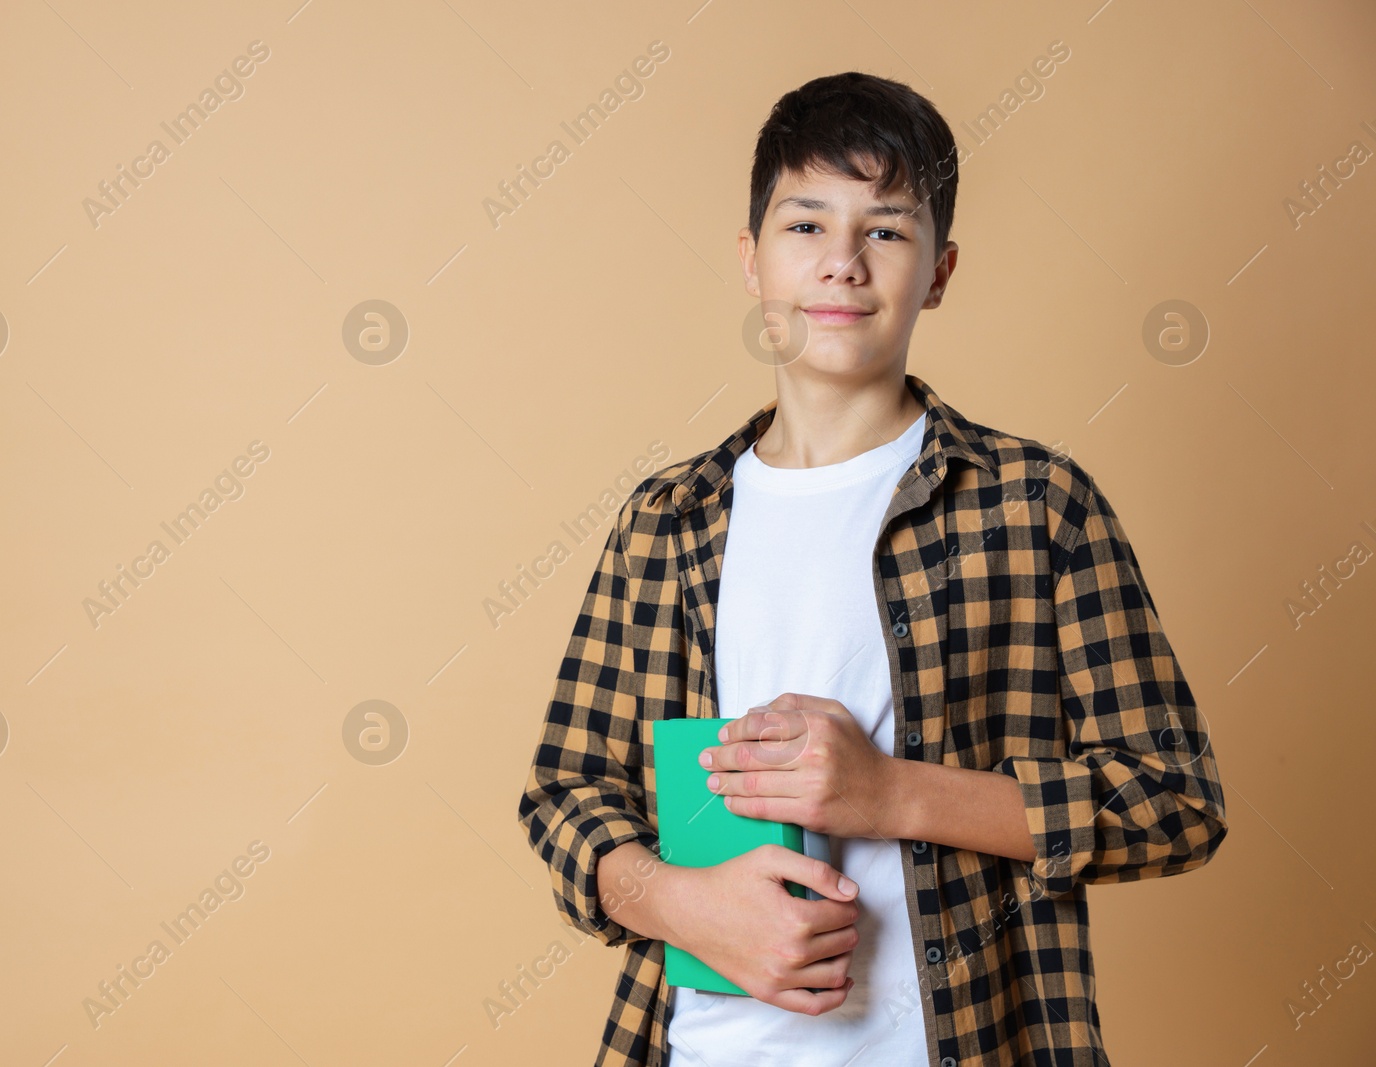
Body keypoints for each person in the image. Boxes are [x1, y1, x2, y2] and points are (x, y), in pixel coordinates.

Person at [517, 71, 1227, 1067]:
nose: (842, 264)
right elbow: (566, 791)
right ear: (750, 258)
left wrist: (890, 793)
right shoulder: (665, 522)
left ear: (937, 269)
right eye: (806, 225)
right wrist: (673, 898)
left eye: (885, 231)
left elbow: (1173, 799)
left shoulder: (1035, 505)